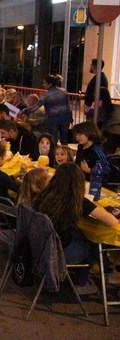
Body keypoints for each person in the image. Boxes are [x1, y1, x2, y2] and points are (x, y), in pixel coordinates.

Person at [31, 162, 118, 294]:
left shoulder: (44, 194)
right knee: (93, 241)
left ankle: (105, 272)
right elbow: (111, 221)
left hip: (38, 247)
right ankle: (84, 282)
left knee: (82, 234)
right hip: (58, 253)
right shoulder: (77, 200)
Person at [21, 74, 72, 145]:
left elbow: (35, 107)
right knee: (64, 139)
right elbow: (68, 106)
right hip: (65, 118)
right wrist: (71, 117)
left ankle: (54, 153)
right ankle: (66, 153)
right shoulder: (63, 91)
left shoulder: (46, 95)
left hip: (53, 119)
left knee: (53, 139)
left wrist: (23, 111)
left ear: (50, 84)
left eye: (44, 83)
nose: (43, 85)